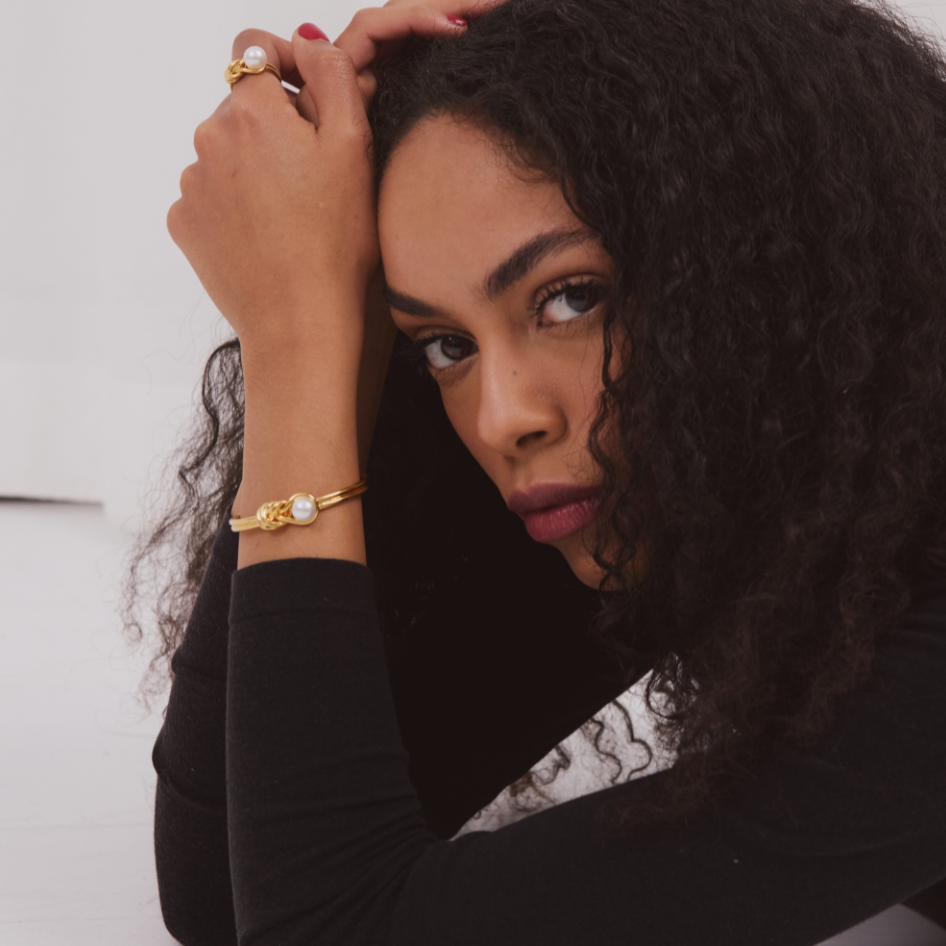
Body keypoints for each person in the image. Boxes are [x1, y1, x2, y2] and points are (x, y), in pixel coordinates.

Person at [122, 0, 946, 942]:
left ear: (764, 266)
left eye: (570, 299)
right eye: (442, 344)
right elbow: (224, 891)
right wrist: (332, 330)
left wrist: (294, 341)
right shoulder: (711, 495)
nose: (502, 416)